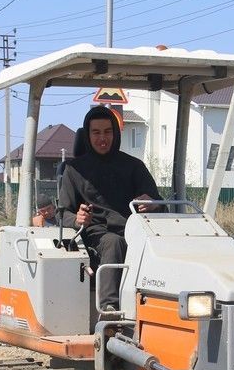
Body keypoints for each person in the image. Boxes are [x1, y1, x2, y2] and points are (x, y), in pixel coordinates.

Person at [57, 105, 160, 311]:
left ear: (115, 133)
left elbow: (157, 201)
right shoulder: (74, 170)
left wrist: (152, 204)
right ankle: (110, 308)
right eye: (96, 132)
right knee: (114, 242)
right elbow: (62, 214)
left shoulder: (134, 166)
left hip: (135, 231)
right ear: (87, 135)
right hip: (96, 234)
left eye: (107, 132)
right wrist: (77, 219)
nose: (102, 138)